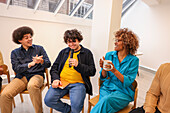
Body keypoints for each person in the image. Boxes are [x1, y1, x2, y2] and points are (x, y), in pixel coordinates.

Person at [0, 26, 51, 113]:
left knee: (32, 86)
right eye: (26, 38)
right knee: (5, 94)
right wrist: (29, 65)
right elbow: (16, 68)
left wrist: (42, 61)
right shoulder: (15, 53)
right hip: (21, 77)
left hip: (37, 75)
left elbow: (48, 64)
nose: (30, 39)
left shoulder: (39, 48)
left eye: (30, 37)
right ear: (20, 40)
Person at [44, 29, 96, 113]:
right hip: (62, 82)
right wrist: (55, 79)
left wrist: (78, 65)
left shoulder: (87, 53)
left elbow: (92, 71)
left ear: (79, 40)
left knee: (77, 107)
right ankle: (69, 111)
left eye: (74, 41)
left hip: (78, 84)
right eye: (69, 42)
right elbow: (54, 68)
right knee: (48, 100)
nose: (71, 44)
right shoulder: (63, 52)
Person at [90, 28, 139, 113]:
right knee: (104, 105)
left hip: (123, 92)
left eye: (118, 40)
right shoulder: (109, 55)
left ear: (127, 43)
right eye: (116, 40)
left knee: (105, 101)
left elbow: (128, 81)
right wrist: (104, 69)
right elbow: (104, 77)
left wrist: (114, 71)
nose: (115, 43)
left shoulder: (134, 60)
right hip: (107, 88)